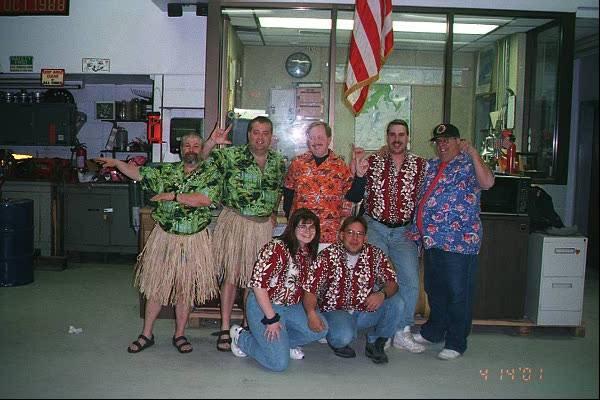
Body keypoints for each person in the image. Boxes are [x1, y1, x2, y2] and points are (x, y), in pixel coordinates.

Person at [95, 132, 221, 354]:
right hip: (165, 237)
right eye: (187, 145)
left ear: (201, 149)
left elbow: (204, 199)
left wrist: (172, 196)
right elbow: (137, 173)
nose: (191, 149)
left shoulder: (210, 173)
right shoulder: (166, 171)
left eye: (195, 145)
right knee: (156, 287)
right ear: (180, 150)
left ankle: (180, 334)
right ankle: (147, 334)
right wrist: (116, 162)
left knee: (185, 290)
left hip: (194, 240)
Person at [408, 123, 494, 360]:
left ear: (459, 141)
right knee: (435, 291)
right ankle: (434, 331)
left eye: (447, 140)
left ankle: (456, 341)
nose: (442, 144)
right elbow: (422, 200)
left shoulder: (468, 164)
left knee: (458, 293)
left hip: (459, 242)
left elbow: (487, 183)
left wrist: (474, 153)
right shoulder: (432, 165)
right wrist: (417, 232)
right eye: (439, 141)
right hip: (432, 241)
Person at [203, 116, 286, 352]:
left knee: (255, 279)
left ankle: (248, 325)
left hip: (261, 227)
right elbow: (199, 161)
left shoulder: (279, 161)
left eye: (265, 132)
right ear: (249, 134)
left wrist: (271, 213)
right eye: (256, 132)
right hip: (236, 222)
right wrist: (211, 142)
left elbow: (277, 188)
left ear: (272, 136)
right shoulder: (231, 156)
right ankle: (225, 326)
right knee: (231, 275)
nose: (260, 137)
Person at [354, 119, 428, 353]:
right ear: (387, 137)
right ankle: (382, 330)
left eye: (401, 135)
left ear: (408, 137)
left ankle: (401, 330)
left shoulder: (420, 165)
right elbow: (355, 194)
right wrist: (356, 170)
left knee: (409, 281)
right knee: (379, 279)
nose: (397, 139)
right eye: (393, 134)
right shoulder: (372, 162)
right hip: (375, 227)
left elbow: (426, 200)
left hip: (404, 231)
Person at [229, 208, 328, 372]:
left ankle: (283, 344)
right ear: (292, 228)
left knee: (321, 329)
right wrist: (271, 319)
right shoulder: (276, 248)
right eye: (302, 226)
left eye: (311, 227)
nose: (307, 231)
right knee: (278, 363)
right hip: (265, 305)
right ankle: (241, 338)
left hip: (291, 306)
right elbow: (258, 285)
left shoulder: (309, 253)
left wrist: (311, 313)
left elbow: (309, 288)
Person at [303, 216, 402, 364]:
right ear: (341, 235)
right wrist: (311, 313)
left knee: (397, 302)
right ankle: (341, 335)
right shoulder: (327, 256)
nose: (355, 238)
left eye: (359, 234)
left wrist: (382, 294)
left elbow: (392, 282)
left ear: (365, 237)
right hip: (335, 310)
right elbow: (310, 289)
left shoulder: (375, 254)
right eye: (350, 232)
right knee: (342, 338)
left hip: (364, 310)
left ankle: (375, 342)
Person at [284, 121, 367, 250]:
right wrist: (291, 222)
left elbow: (354, 197)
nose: (316, 141)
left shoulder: (340, 166)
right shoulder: (297, 163)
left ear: (329, 139)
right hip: (301, 236)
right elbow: (288, 192)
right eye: (312, 138)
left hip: (328, 237)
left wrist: (360, 176)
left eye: (320, 137)